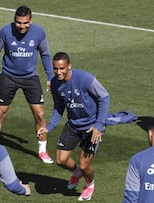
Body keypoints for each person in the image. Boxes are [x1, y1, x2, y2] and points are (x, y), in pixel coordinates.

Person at [0, 5, 54, 164]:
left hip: (30, 78)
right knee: (0, 114)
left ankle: (42, 151)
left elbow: (45, 54)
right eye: (19, 23)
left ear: (31, 20)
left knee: (40, 115)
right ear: (14, 20)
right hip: (8, 77)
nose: (22, 26)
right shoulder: (5, 31)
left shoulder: (39, 33)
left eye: (25, 23)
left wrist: (51, 77)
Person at [37, 52, 110, 201]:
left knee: (84, 165)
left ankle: (90, 184)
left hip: (92, 127)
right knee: (61, 160)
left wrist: (98, 125)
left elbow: (104, 97)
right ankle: (76, 173)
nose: (58, 72)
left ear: (69, 66)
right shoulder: (55, 83)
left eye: (62, 68)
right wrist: (49, 127)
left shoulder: (85, 78)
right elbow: (59, 107)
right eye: (55, 69)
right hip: (73, 124)